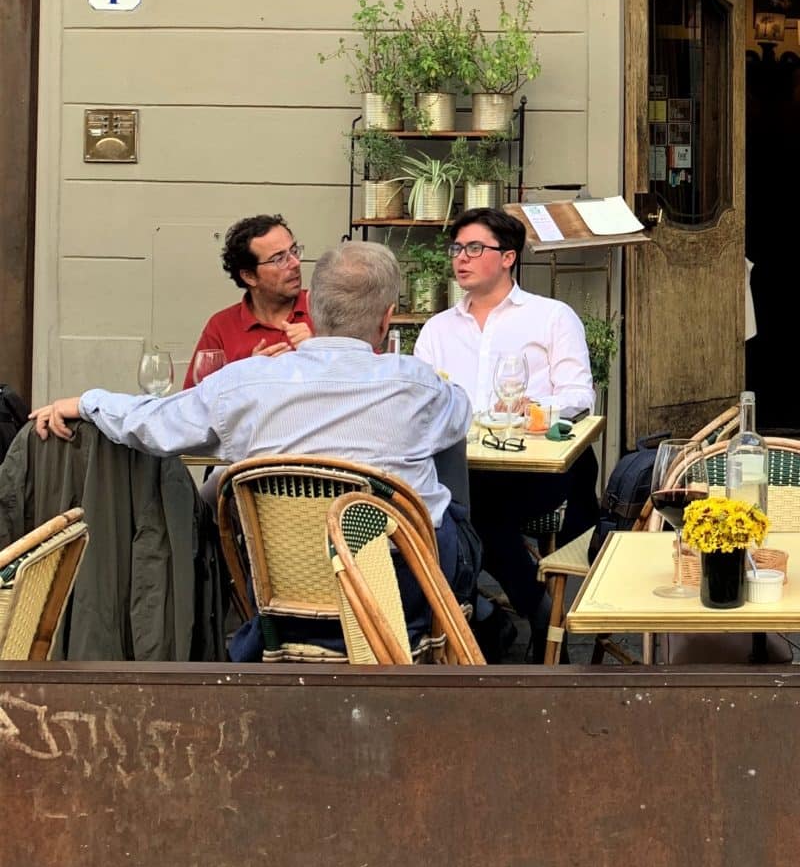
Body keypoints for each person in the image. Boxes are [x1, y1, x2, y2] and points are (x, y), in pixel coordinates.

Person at [29, 242, 494, 657]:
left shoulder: (243, 382)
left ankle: (266, 636)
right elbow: (459, 415)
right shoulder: (416, 382)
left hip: (280, 586)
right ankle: (472, 619)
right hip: (402, 584)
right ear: (387, 316)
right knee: (446, 487)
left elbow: (154, 422)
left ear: (315, 311)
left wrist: (87, 401)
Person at [415, 207, 595, 659]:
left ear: (508, 257)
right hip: (461, 464)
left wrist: (533, 410)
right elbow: (419, 397)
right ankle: (524, 611)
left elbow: (578, 395)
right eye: (457, 248)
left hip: (532, 466)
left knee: (472, 514)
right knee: (463, 508)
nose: (462, 258)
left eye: (475, 248)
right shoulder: (438, 329)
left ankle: (499, 616)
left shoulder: (551, 317)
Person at [183, 214, 312, 386]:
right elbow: (195, 402)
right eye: (279, 259)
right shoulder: (221, 327)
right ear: (249, 276)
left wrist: (318, 349)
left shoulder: (327, 308)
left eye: (294, 251)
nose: (295, 263)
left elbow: (357, 387)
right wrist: (244, 376)